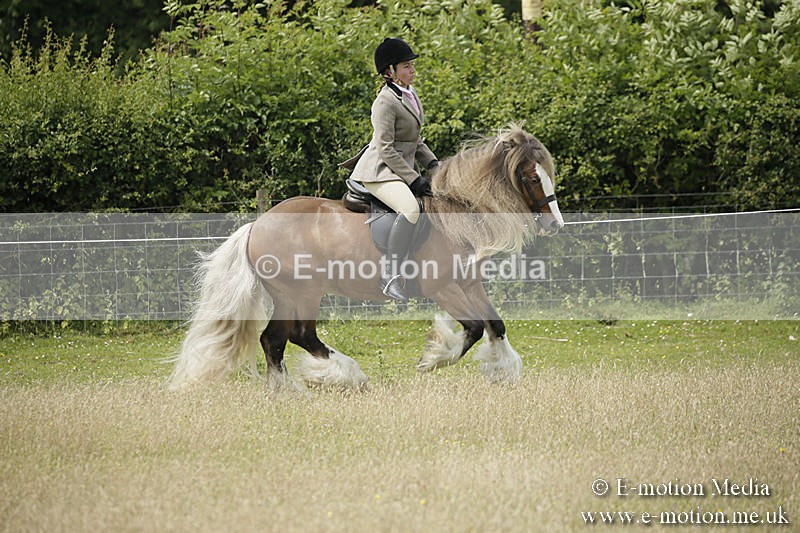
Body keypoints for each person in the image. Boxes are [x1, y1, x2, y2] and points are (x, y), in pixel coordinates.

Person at [340, 37, 439, 302]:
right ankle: (390, 274)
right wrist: (414, 179)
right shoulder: (385, 102)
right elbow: (385, 148)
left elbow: (414, 141)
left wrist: (434, 165)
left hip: (398, 169)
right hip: (379, 171)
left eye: (411, 65)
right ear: (389, 71)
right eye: (406, 66)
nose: (412, 70)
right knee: (411, 208)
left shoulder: (410, 94)